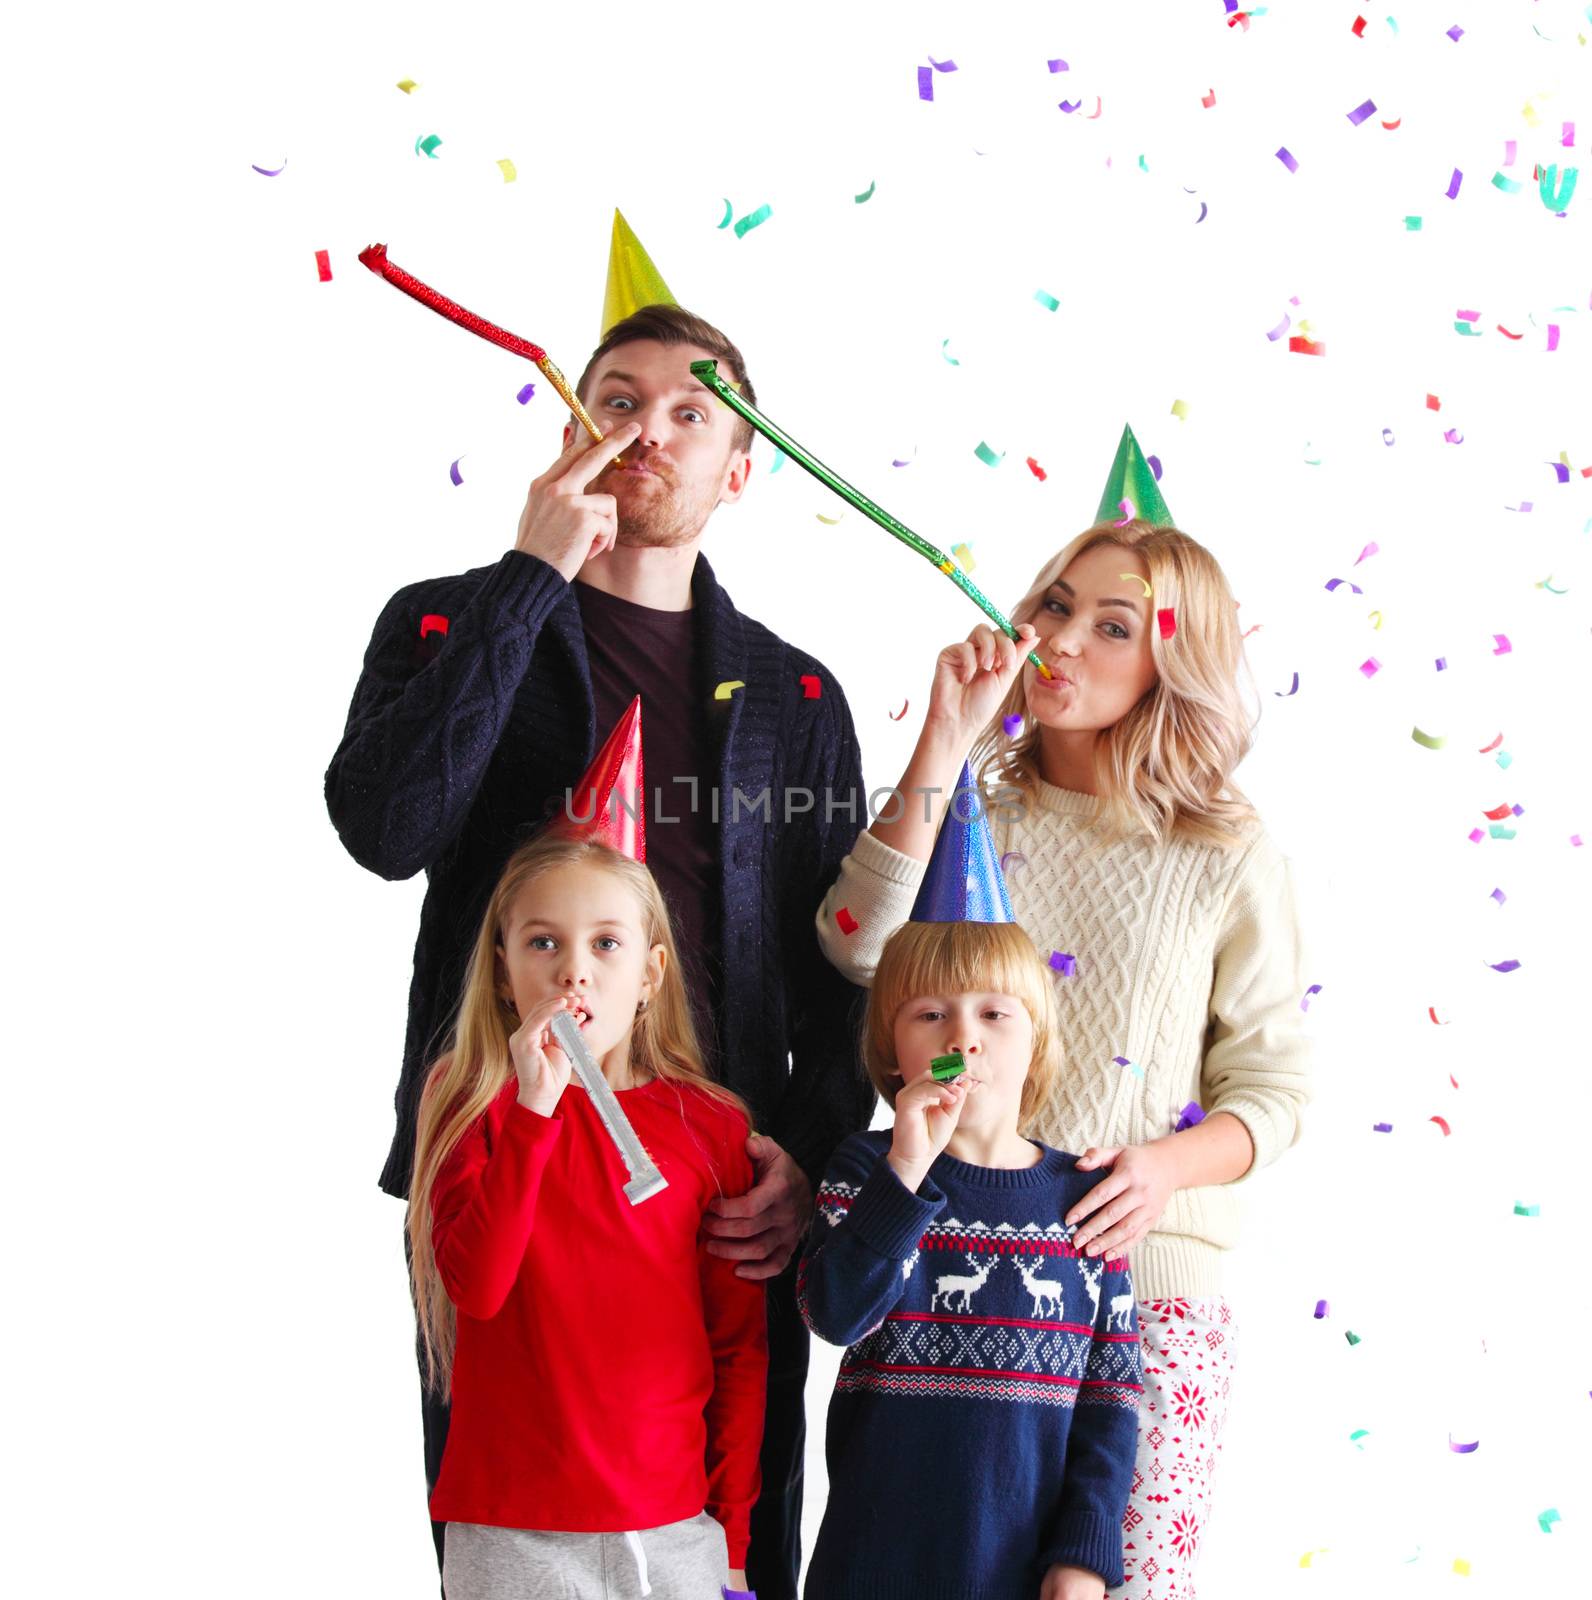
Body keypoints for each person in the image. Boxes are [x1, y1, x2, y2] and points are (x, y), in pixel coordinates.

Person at [325, 216, 872, 1599]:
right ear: (570, 428)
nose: (652, 429)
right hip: (497, 1176)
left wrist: (802, 1160)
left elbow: (841, 977)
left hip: (714, 1187)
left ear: (740, 470)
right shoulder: (448, 620)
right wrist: (529, 577)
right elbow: (384, 830)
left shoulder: (798, 699)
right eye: (618, 399)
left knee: (733, 1537)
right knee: (507, 1540)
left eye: (696, 413)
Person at [815, 468, 1312, 1597]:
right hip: (949, 1271)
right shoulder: (975, 814)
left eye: (1111, 625)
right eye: (1052, 605)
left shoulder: (1225, 854)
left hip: (1153, 1285)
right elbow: (854, 944)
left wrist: (1161, 1166)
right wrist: (943, 741)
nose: (1061, 639)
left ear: (1169, 664)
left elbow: (1276, 1088)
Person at [799, 787, 1141, 1599]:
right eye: (930, 1015)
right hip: (871, 1564)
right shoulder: (866, 1171)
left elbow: (1111, 1398)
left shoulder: (1083, 1198)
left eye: (995, 1012)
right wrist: (906, 1173)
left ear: (1037, 1040)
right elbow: (833, 1314)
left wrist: (1084, 1556)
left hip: (1024, 1574)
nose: (964, 1037)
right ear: (891, 1047)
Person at [409, 826, 767, 1598]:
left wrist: (733, 1541)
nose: (574, 972)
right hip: (512, 1530)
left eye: (607, 944)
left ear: (650, 973)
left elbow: (738, 1347)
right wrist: (536, 1108)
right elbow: (478, 1285)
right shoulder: (468, 1099)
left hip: (672, 1528)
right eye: (543, 943)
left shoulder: (710, 1125)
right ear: (503, 972)